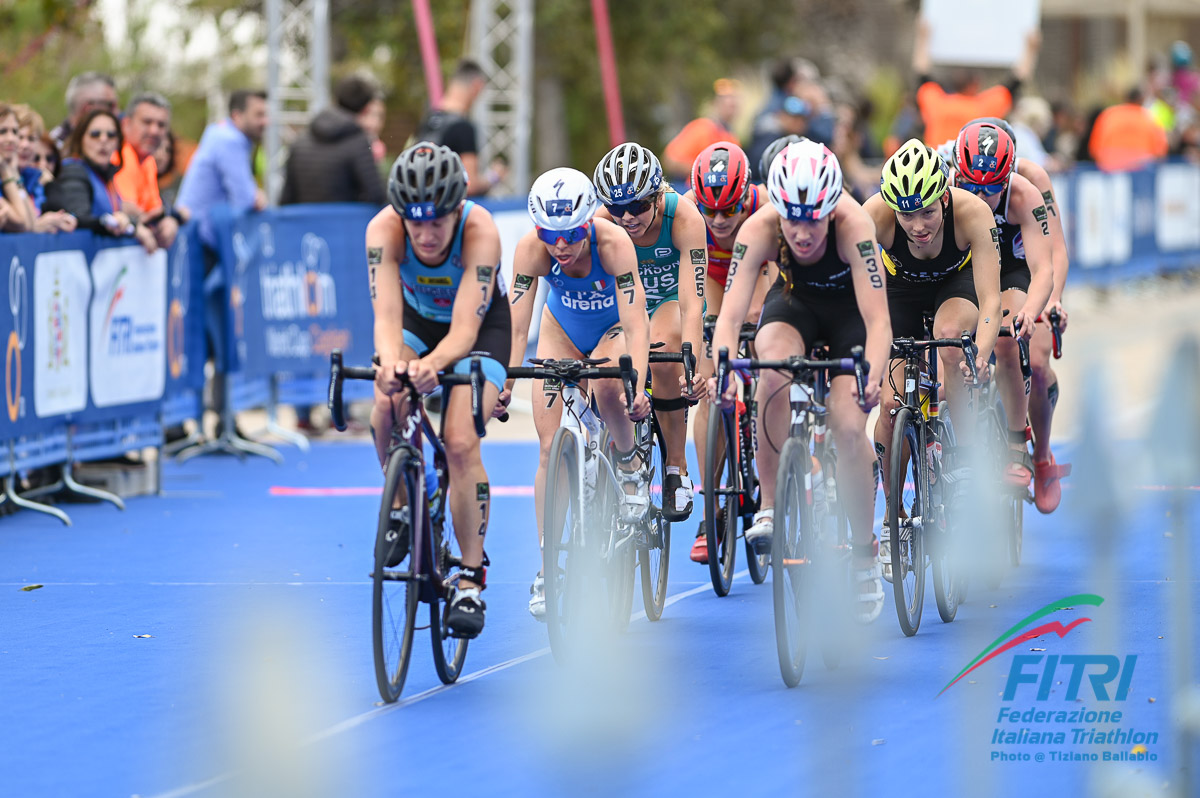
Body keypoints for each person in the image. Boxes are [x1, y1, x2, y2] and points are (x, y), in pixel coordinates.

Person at [710, 139, 891, 623]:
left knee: (849, 426)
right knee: (768, 366)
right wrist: (723, 369)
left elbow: (879, 323)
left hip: (850, 316)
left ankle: (861, 552)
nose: (802, 231)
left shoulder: (855, 226)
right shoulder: (759, 227)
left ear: (831, 210)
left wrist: (871, 375)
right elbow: (728, 319)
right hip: (795, 307)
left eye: (813, 219)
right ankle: (769, 504)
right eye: (792, 218)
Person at [366, 141, 509, 638]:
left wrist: (433, 365)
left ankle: (470, 578)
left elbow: (465, 335)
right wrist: (390, 365)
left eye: (437, 223)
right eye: (416, 223)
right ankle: (404, 507)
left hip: (478, 328)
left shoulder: (480, 230)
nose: (426, 235)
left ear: (456, 211)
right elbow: (385, 318)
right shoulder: (383, 229)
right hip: (416, 320)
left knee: (460, 440)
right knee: (384, 404)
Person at [503, 167, 651, 619]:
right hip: (560, 329)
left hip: (611, 331)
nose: (560, 246)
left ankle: (628, 462)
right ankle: (550, 566)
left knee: (609, 386)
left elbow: (636, 320)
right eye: (551, 234)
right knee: (549, 447)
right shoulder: (533, 249)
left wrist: (639, 384)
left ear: (587, 222)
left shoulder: (614, 243)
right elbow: (516, 323)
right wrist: (505, 384)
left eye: (569, 234)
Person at [863, 139, 1002, 578]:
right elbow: (861, 300)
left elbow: (992, 300)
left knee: (948, 340)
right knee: (890, 403)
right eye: (906, 214)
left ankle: (960, 462)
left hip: (955, 287)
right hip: (900, 291)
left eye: (926, 211)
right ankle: (892, 516)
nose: (918, 226)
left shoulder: (971, 213)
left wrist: (977, 351)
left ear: (944, 195)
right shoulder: (873, 219)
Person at [593, 142, 707, 522]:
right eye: (617, 208)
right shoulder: (601, 223)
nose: (627, 218)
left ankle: (676, 467)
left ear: (659, 196)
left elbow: (693, 303)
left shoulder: (685, 218)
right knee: (605, 370)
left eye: (638, 206)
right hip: (628, 306)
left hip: (670, 299)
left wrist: (695, 365)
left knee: (661, 353)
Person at [967, 116, 1072, 513]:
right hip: (979, 267)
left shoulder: (1032, 181)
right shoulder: (953, 175)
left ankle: (1041, 456)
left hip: (1025, 269)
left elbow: (1055, 251)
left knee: (1039, 361)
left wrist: (1052, 301)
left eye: (992, 184)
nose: (982, 193)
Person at [681, 141, 771, 563]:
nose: (717, 220)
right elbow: (688, 287)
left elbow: (775, 268)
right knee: (710, 384)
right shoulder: (686, 210)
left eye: (728, 210)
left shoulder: (765, 204)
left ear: (745, 196)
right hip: (713, 279)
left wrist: (758, 318)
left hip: (761, 271)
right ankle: (710, 506)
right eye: (709, 210)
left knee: (764, 332)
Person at [951, 121, 1052, 488]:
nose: (979, 196)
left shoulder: (1025, 195)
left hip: (1010, 269)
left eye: (992, 188)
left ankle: (1015, 444)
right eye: (970, 186)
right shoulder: (945, 185)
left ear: (1008, 179)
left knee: (1008, 342)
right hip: (966, 266)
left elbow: (1043, 268)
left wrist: (1031, 311)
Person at [176, 89, 269, 436]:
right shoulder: (229, 141)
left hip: (208, 246)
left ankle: (220, 417)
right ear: (237, 114)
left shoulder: (224, 137)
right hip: (204, 249)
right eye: (258, 114)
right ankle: (205, 419)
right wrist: (256, 198)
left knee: (217, 332)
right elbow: (246, 197)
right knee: (208, 332)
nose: (265, 122)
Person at [912, 19, 1041, 147]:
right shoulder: (983, 108)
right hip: (966, 164)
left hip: (935, 163)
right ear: (975, 84)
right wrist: (1031, 48)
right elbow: (1017, 80)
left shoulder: (937, 103)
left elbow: (922, 73)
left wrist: (923, 38)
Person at [43, 109, 156, 251]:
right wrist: (121, 224)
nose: (103, 140)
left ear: (118, 142)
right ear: (81, 138)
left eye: (111, 135)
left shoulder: (108, 177)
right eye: (95, 134)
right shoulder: (73, 170)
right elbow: (78, 217)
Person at [281, 74, 387, 207]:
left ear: (335, 100)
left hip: (308, 227)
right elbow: (377, 194)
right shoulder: (357, 141)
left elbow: (286, 199)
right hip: (346, 226)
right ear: (366, 109)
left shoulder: (299, 142)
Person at [414, 60, 499, 196]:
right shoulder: (463, 127)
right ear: (477, 86)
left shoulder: (428, 120)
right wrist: (494, 177)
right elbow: (469, 184)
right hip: (446, 210)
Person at [114, 92, 183, 248]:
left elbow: (153, 211)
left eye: (161, 125)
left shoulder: (148, 161)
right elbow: (129, 211)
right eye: (147, 122)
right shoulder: (120, 154)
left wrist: (169, 220)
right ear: (126, 124)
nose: (154, 131)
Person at [662, 78, 743, 179]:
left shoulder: (732, 137)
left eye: (734, 100)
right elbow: (670, 160)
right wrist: (704, 169)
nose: (732, 104)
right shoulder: (702, 128)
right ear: (715, 103)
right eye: (727, 100)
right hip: (693, 190)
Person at [1087, 88, 1169, 172]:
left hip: (1109, 167)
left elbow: (1093, 149)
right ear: (1141, 100)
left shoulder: (1108, 115)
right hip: (1140, 168)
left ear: (1125, 99)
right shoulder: (1149, 117)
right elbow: (1160, 152)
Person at [50, 71, 119, 151]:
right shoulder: (52, 152)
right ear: (89, 109)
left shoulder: (114, 145)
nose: (117, 112)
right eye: (111, 105)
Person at [0, 103, 36, 233]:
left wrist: (13, 172)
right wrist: (6, 171)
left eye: (15, 132)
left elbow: (32, 222)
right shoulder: (4, 171)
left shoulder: (9, 169)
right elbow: (22, 223)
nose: (11, 139)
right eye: (2, 131)